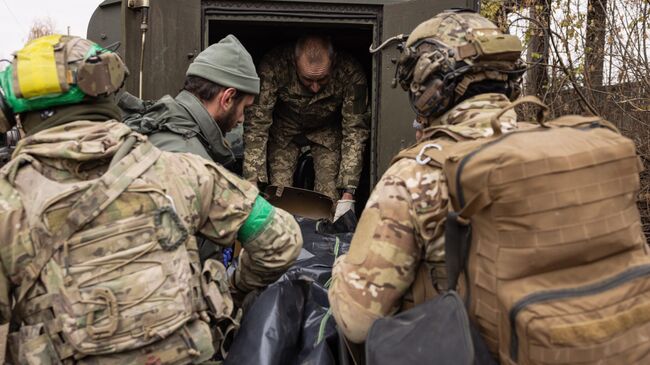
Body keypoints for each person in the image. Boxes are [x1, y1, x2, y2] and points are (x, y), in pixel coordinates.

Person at [0, 35, 302, 364]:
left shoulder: (9, 203)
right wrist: (230, 288)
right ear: (107, 92)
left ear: (16, 113)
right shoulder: (185, 171)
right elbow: (282, 240)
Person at [328, 10, 525, 344]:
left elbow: (356, 321)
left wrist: (341, 270)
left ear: (429, 86)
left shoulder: (415, 178)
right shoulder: (567, 157)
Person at [243, 35, 370, 220]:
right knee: (279, 199)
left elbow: (355, 130)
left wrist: (348, 192)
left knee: (329, 201)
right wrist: (252, 181)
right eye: (308, 80)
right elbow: (256, 124)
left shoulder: (350, 72)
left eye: (322, 79)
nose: (315, 88)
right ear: (294, 64)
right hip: (284, 129)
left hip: (326, 130)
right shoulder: (274, 66)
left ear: (333, 62)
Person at [120, 34, 259, 168]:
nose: (241, 119)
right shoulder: (189, 160)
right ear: (227, 98)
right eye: (244, 108)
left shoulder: (157, 122)